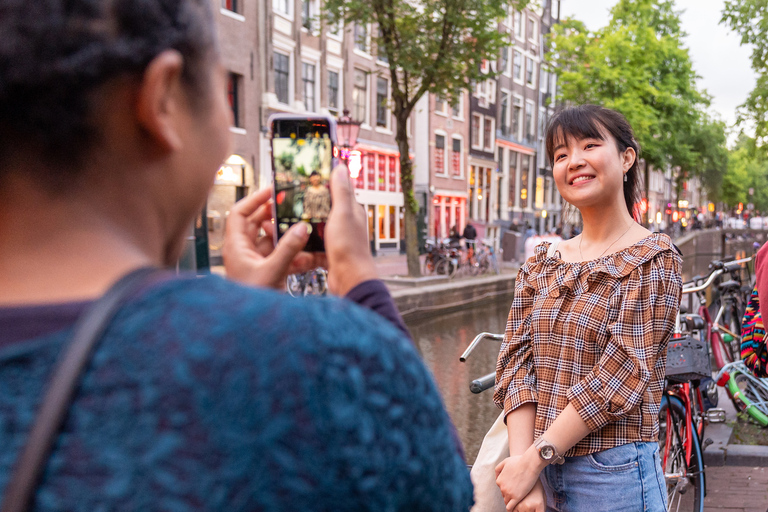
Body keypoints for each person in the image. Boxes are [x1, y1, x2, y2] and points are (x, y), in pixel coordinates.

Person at [0, 1, 473, 510]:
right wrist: (359, 279)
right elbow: (443, 491)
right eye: (219, 88)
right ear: (161, 102)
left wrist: (244, 304)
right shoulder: (326, 356)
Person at [493, 105, 682, 511]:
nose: (574, 161)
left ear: (627, 158)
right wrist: (524, 471)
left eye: (590, 146)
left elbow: (620, 374)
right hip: (536, 470)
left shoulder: (653, 259)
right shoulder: (542, 262)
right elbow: (515, 362)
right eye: (561, 155)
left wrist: (534, 459)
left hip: (612, 478)